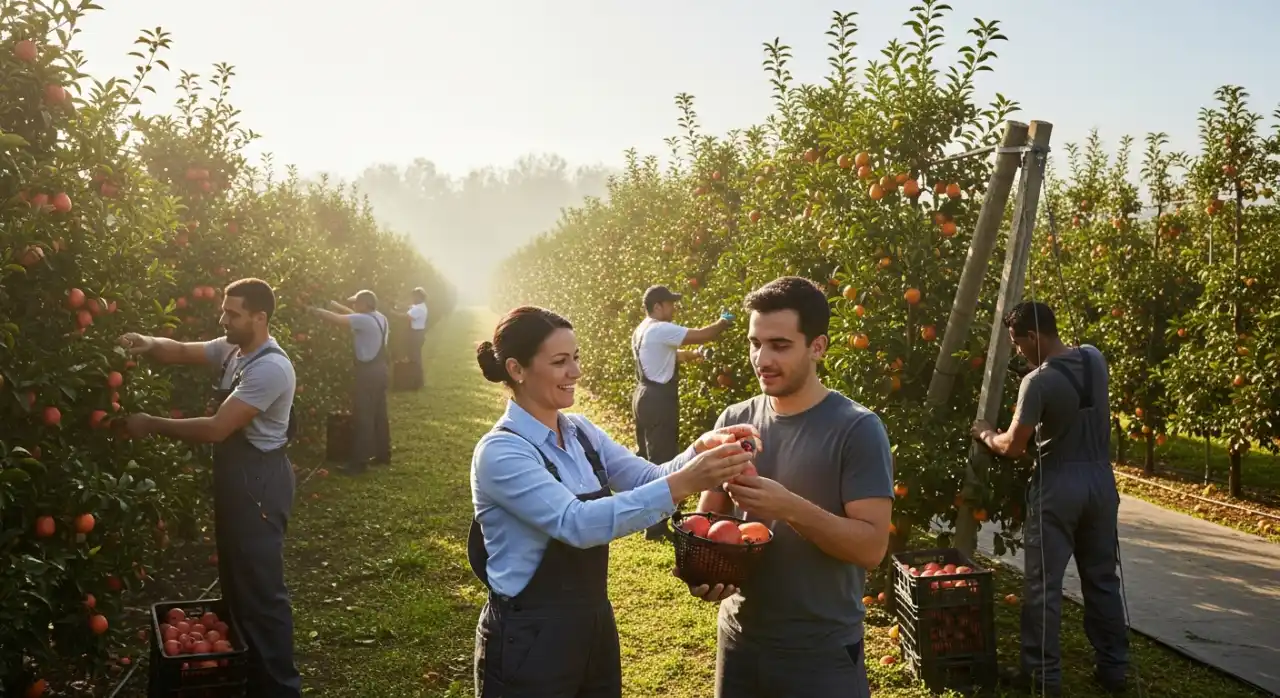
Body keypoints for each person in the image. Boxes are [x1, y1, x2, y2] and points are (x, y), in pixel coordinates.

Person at [469, 305, 760, 698]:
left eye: (576, 358)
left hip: (593, 624)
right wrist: (687, 481)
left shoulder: (580, 433)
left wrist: (699, 449)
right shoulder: (502, 452)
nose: (575, 371)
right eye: (559, 362)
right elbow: (576, 523)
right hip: (529, 635)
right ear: (516, 369)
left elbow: (648, 477)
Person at [682, 276, 895, 698]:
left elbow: (871, 548)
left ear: (818, 347)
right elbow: (710, 523)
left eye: (779, 345)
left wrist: (790, 508)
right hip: (740, 639)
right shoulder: (735, 420)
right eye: (755, 343)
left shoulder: (857, 429)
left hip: (820, 653)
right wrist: (705, 572)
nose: (762, 359)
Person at [116, 278, 301, 698]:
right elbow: (180, 350)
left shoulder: (270, 368)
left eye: (233, 313)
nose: (223, 319)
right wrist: (148, 342)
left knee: (262, 593)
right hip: (239, 481)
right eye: (223, 310)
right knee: (237, 585)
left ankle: (280, 689)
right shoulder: (232, 349)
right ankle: (250, 681)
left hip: (259, 485)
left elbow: (218, 428)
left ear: (260, 317)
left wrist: (151, 424)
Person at [971, 301, 1128, 696]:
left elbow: (1012, 445)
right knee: (1103, 579)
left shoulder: (1037, 382)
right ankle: (1113, 670)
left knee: (1044, 585)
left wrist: (986, 433)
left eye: (1018, 342)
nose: (1018, 350)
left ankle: (1042, 676)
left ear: (1033, 336)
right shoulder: (1094, 357)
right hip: (1100, 482)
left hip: (1059, 485)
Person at [631, 284, 734, 540]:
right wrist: (723, 322)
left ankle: (650, 517)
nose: (674, 308)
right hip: (659, 400)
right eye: (670, 304)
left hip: (642, 396)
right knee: (662, 462)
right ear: (657, 306)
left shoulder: (643, 330)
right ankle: (655, 526)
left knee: (647, 459)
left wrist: (696, 355)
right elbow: (703, 334)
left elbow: (672, 356)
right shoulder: (661, 328)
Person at [309, 290, 391, 473]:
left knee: (364, 416)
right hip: (381, 370)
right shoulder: (380, 318)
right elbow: (352, 315)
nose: (354, 305)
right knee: (379, 414)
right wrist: (335, 304)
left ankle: (359, 462)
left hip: (368, 373)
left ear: (365, 304)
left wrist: (313, 310)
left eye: (356, 303)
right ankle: (383, 454)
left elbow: (338, 319)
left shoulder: (363, 320)